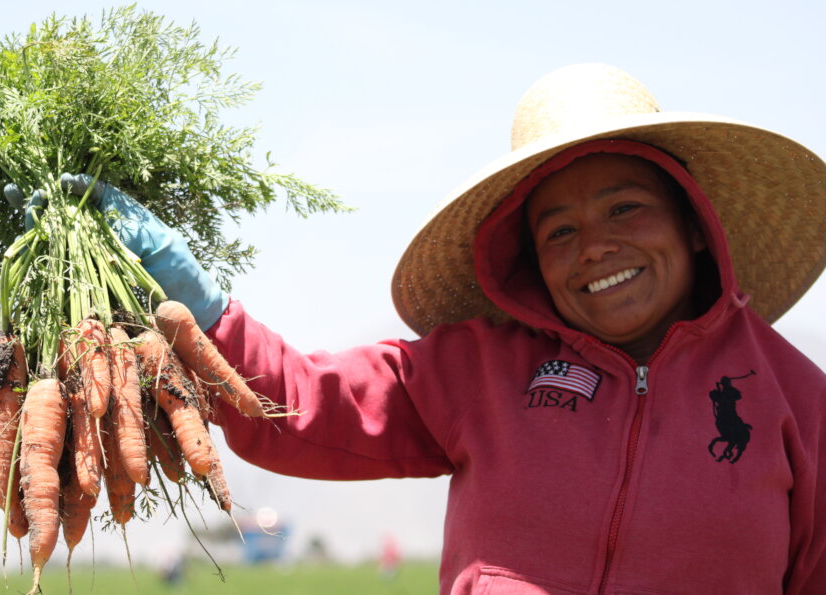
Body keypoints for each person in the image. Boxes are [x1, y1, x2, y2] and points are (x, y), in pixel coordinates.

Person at [54, 63, 826, 593]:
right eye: (559, 230)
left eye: (626, 207)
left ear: (694, 225)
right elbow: (302, 403)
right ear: (529, 260)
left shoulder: (800, 403)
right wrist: (211, 315)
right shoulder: (481, 370)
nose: (595, 246)